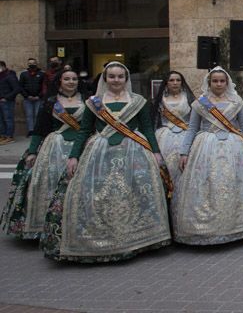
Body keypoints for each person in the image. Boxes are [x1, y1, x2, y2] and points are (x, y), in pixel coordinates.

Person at [40, 62, 171, 262]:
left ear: (126, 79)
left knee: (133, 194)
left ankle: (137, 239)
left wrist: (156, 152)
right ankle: (103, 237)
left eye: (120, 77)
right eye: (112, 76)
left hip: (133, 152)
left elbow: (147, 128)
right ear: (105, 79)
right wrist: (74, 156)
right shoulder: (93, 103)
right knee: (97, 195)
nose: (116, 80)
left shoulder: (139, 101)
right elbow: (84, 130)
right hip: (100, 154)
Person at [173, 67, 243, 245]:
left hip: (234, 147)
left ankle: (237, 226)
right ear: (209, 83)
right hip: (205, 147)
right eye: (215, 81)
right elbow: (192, 128)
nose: (218, 84)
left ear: (227, 82)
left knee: (235, 184)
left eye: (221, 81)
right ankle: (208, 229)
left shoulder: (236, 101)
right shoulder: (201, 103)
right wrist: (184, 152)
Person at [1, 68, 85, 239]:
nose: (71, 82)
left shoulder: (88, 101)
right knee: (51, 184)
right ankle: (48, 225)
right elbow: (39, 129)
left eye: (74, 79)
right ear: (60, 81)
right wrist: (32, 151)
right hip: (55, 147)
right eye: (67, 79)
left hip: (81, 147)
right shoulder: (50, 102)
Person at [152, 71, 195, 186]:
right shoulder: (160, 100)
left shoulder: (189, 99)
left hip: (186, 135)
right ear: (166, 83)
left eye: (178, 80)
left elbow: (195, 120)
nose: (175, 83)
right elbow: (155, 121)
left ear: (182, 82)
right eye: (171, 80)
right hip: (164, 136)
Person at [19, 58, 45, 135]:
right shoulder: (23, 74)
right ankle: (31, 130)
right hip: (27, 99)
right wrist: (27, 96)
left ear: (36, 64)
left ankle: (37, 130)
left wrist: (39, 96)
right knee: (29, 115)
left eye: (33, 63)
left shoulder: (41, 74)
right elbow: (20, 87)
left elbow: (44, 86)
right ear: (28, 64)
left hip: (38, 98)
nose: (31, 64)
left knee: (38, 115)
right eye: (30, 63)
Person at [0, 61, 20, 145]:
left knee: (8, 119)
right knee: (1, 120)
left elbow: (17, 89)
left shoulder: (10, 75)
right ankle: (3, 135)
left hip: (7, 102)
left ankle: (9, 136)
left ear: (3, 66)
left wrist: (6, 98)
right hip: (0, 101)